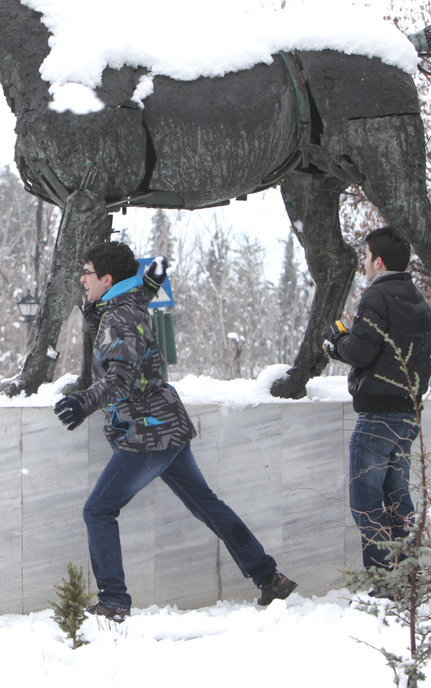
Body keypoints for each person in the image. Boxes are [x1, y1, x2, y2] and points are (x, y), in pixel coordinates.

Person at [54, 241, 296, 621]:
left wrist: (84, 402)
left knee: (98, 511)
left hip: (146, 434)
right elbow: (135, 303)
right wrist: (148, 282)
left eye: (87, 273)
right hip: (167, 428)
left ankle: (114, 600)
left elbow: (122, 378)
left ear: (106, 278)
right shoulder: (125, 305)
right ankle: (270, 577)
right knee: (208, 506)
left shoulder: (118, 317)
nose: (82, 280)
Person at [322, 226, 431, 570]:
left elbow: (361, 350)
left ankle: (384, 579)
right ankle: (407, 575)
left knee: (367, 501)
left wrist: (336, 341)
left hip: (377, 417)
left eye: (367, 257)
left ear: (380, 262)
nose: (365, 265)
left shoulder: (377, 296)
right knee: (399, 499)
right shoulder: (417, 298)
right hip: (407, 414)